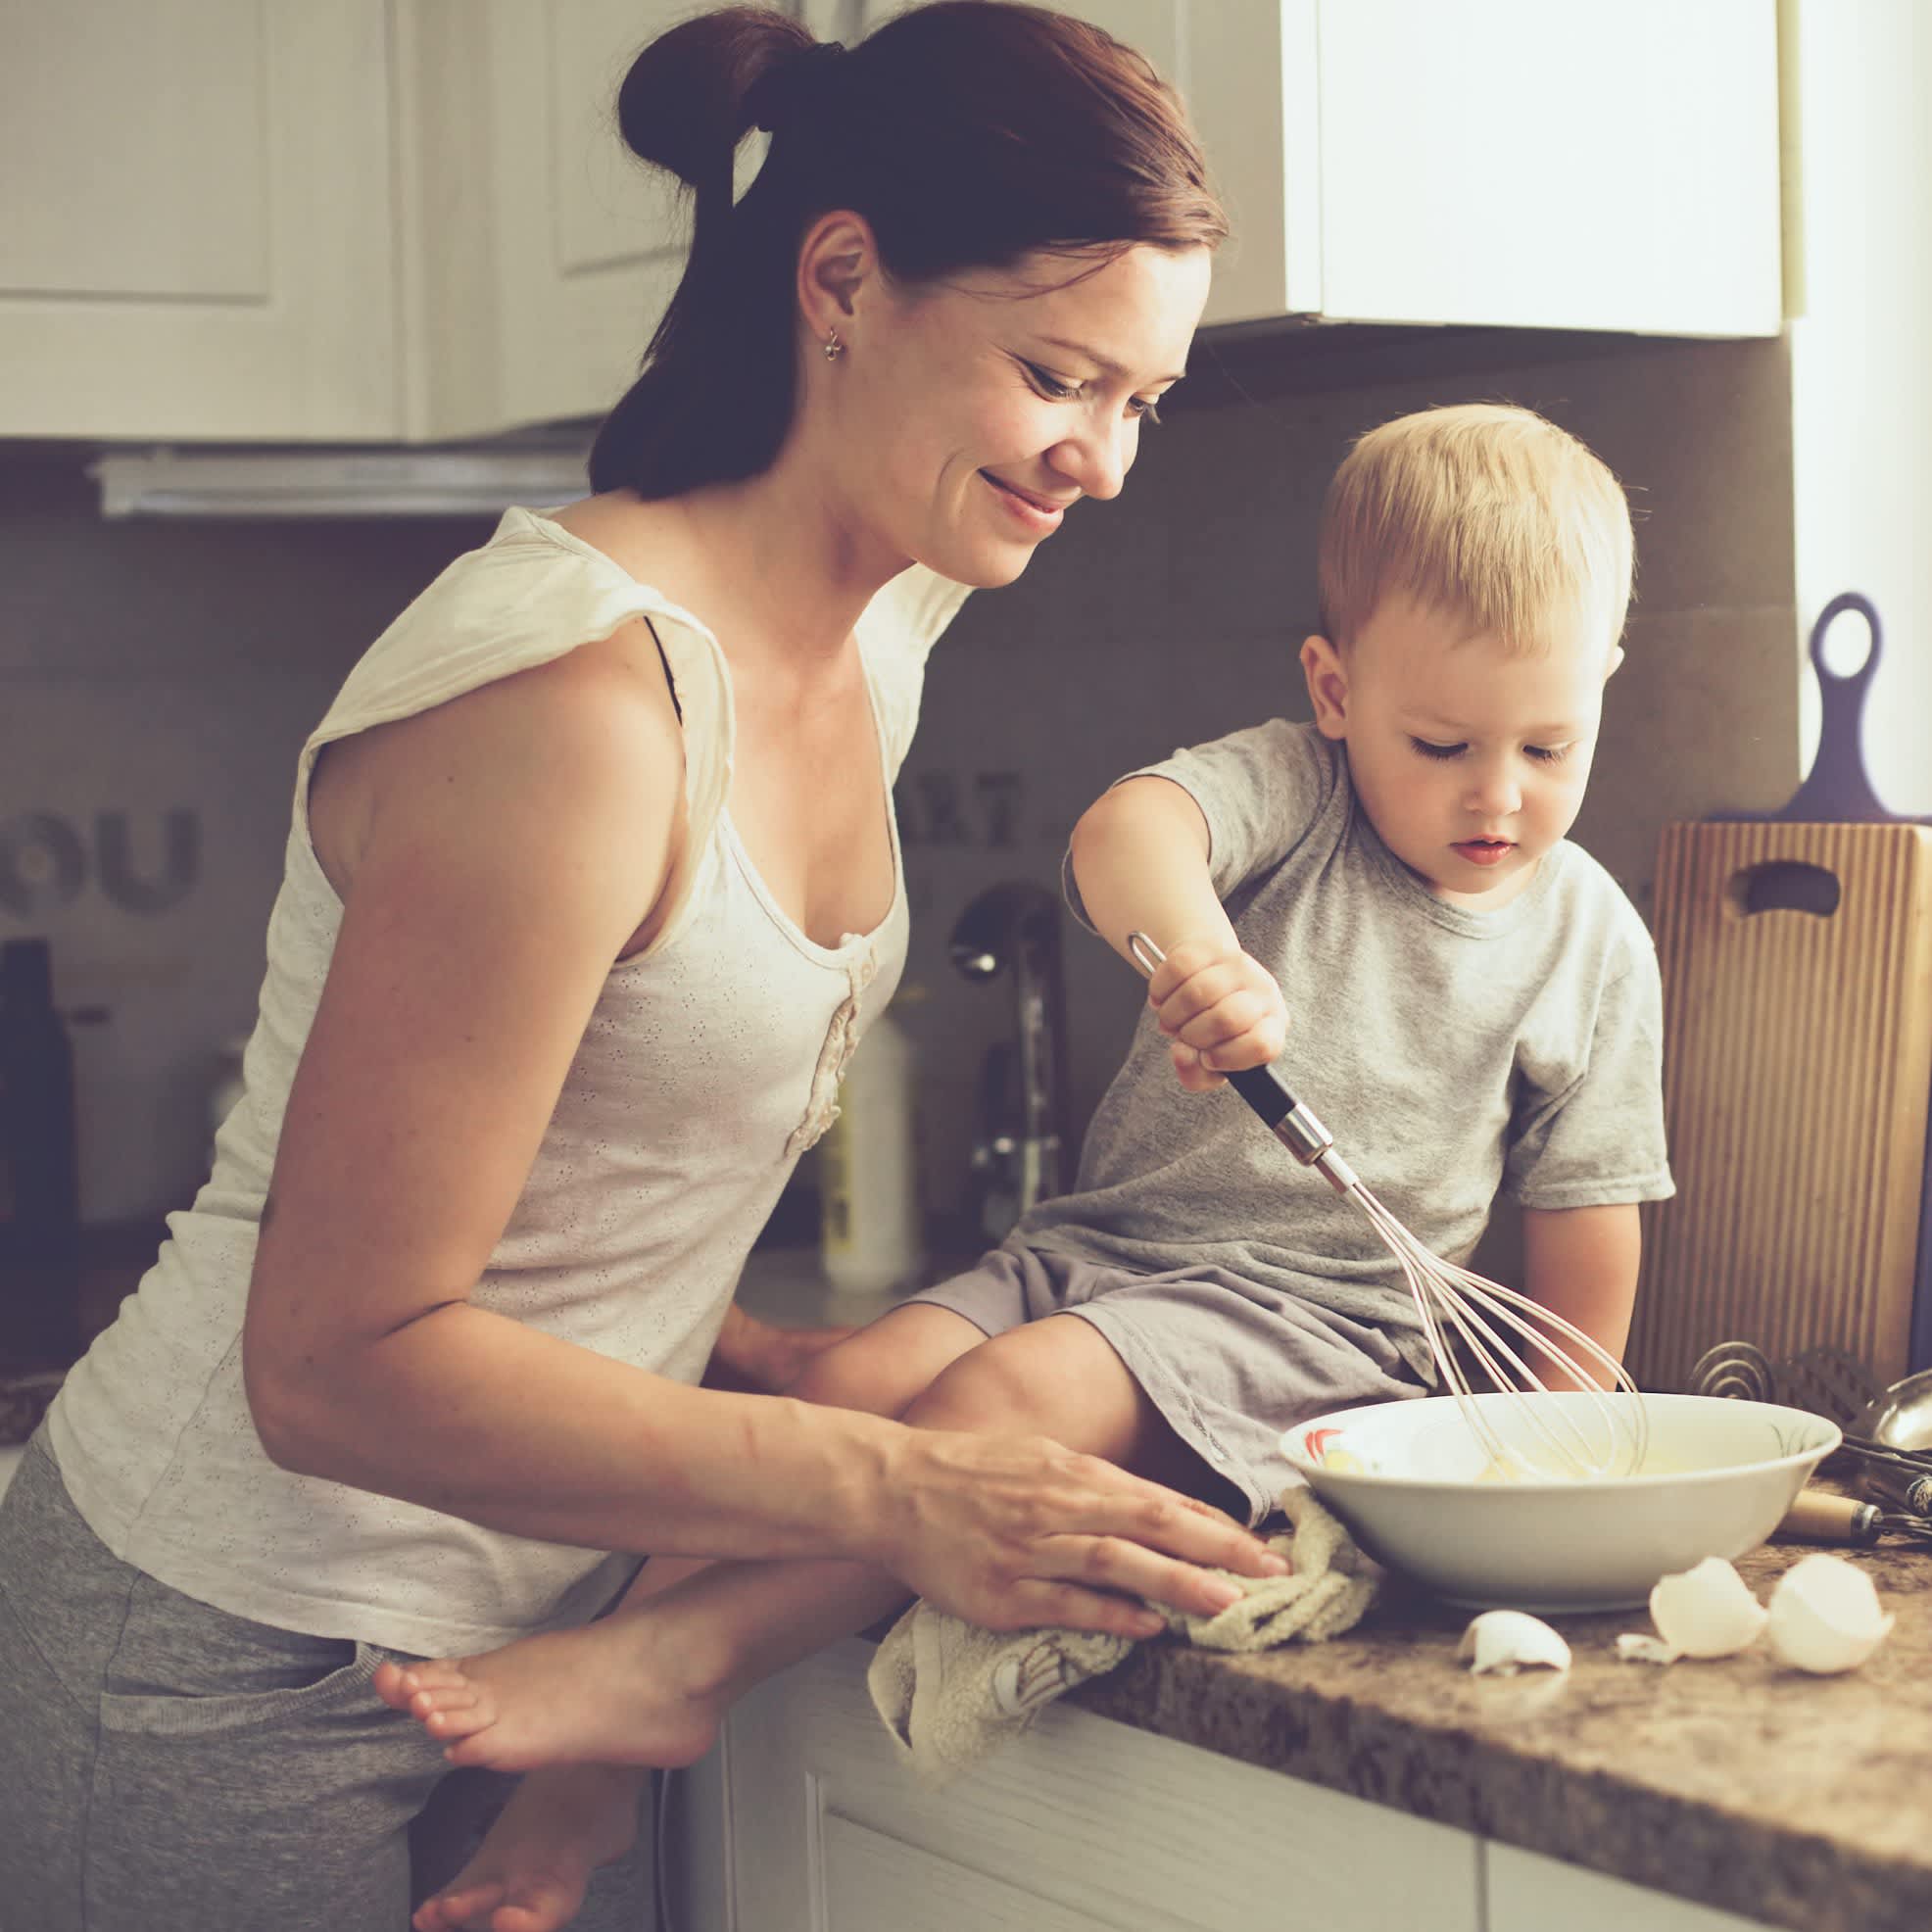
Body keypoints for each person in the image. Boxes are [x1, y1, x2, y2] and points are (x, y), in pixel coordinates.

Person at [0, 8, 1283, 1930]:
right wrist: (887, 1485)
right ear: (839, 277)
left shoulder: (889, 624)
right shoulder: (576, 702)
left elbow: (581, 1179)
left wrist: (767, 1357)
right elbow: (330, 1364)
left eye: (1140, 398)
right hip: (224, 1656)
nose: (1097, 458)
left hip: (533, 1622)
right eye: (1053, 375)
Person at [379, 399, 1676, 1928]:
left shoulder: (1592, 943)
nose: (1498, 795)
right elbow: (1126, 832)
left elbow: (1583, 1307)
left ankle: (680, 1661)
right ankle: (576, 1798)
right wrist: (1192, 949)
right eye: (1442, 743)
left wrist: (1549, 1490)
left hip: (1324, 1324)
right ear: (1334, 692)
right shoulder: (1293, 797)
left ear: (1603, 691)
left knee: (1000, 1409)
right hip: (1101, 1251)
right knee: (841, 1400)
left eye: (1549, 744)